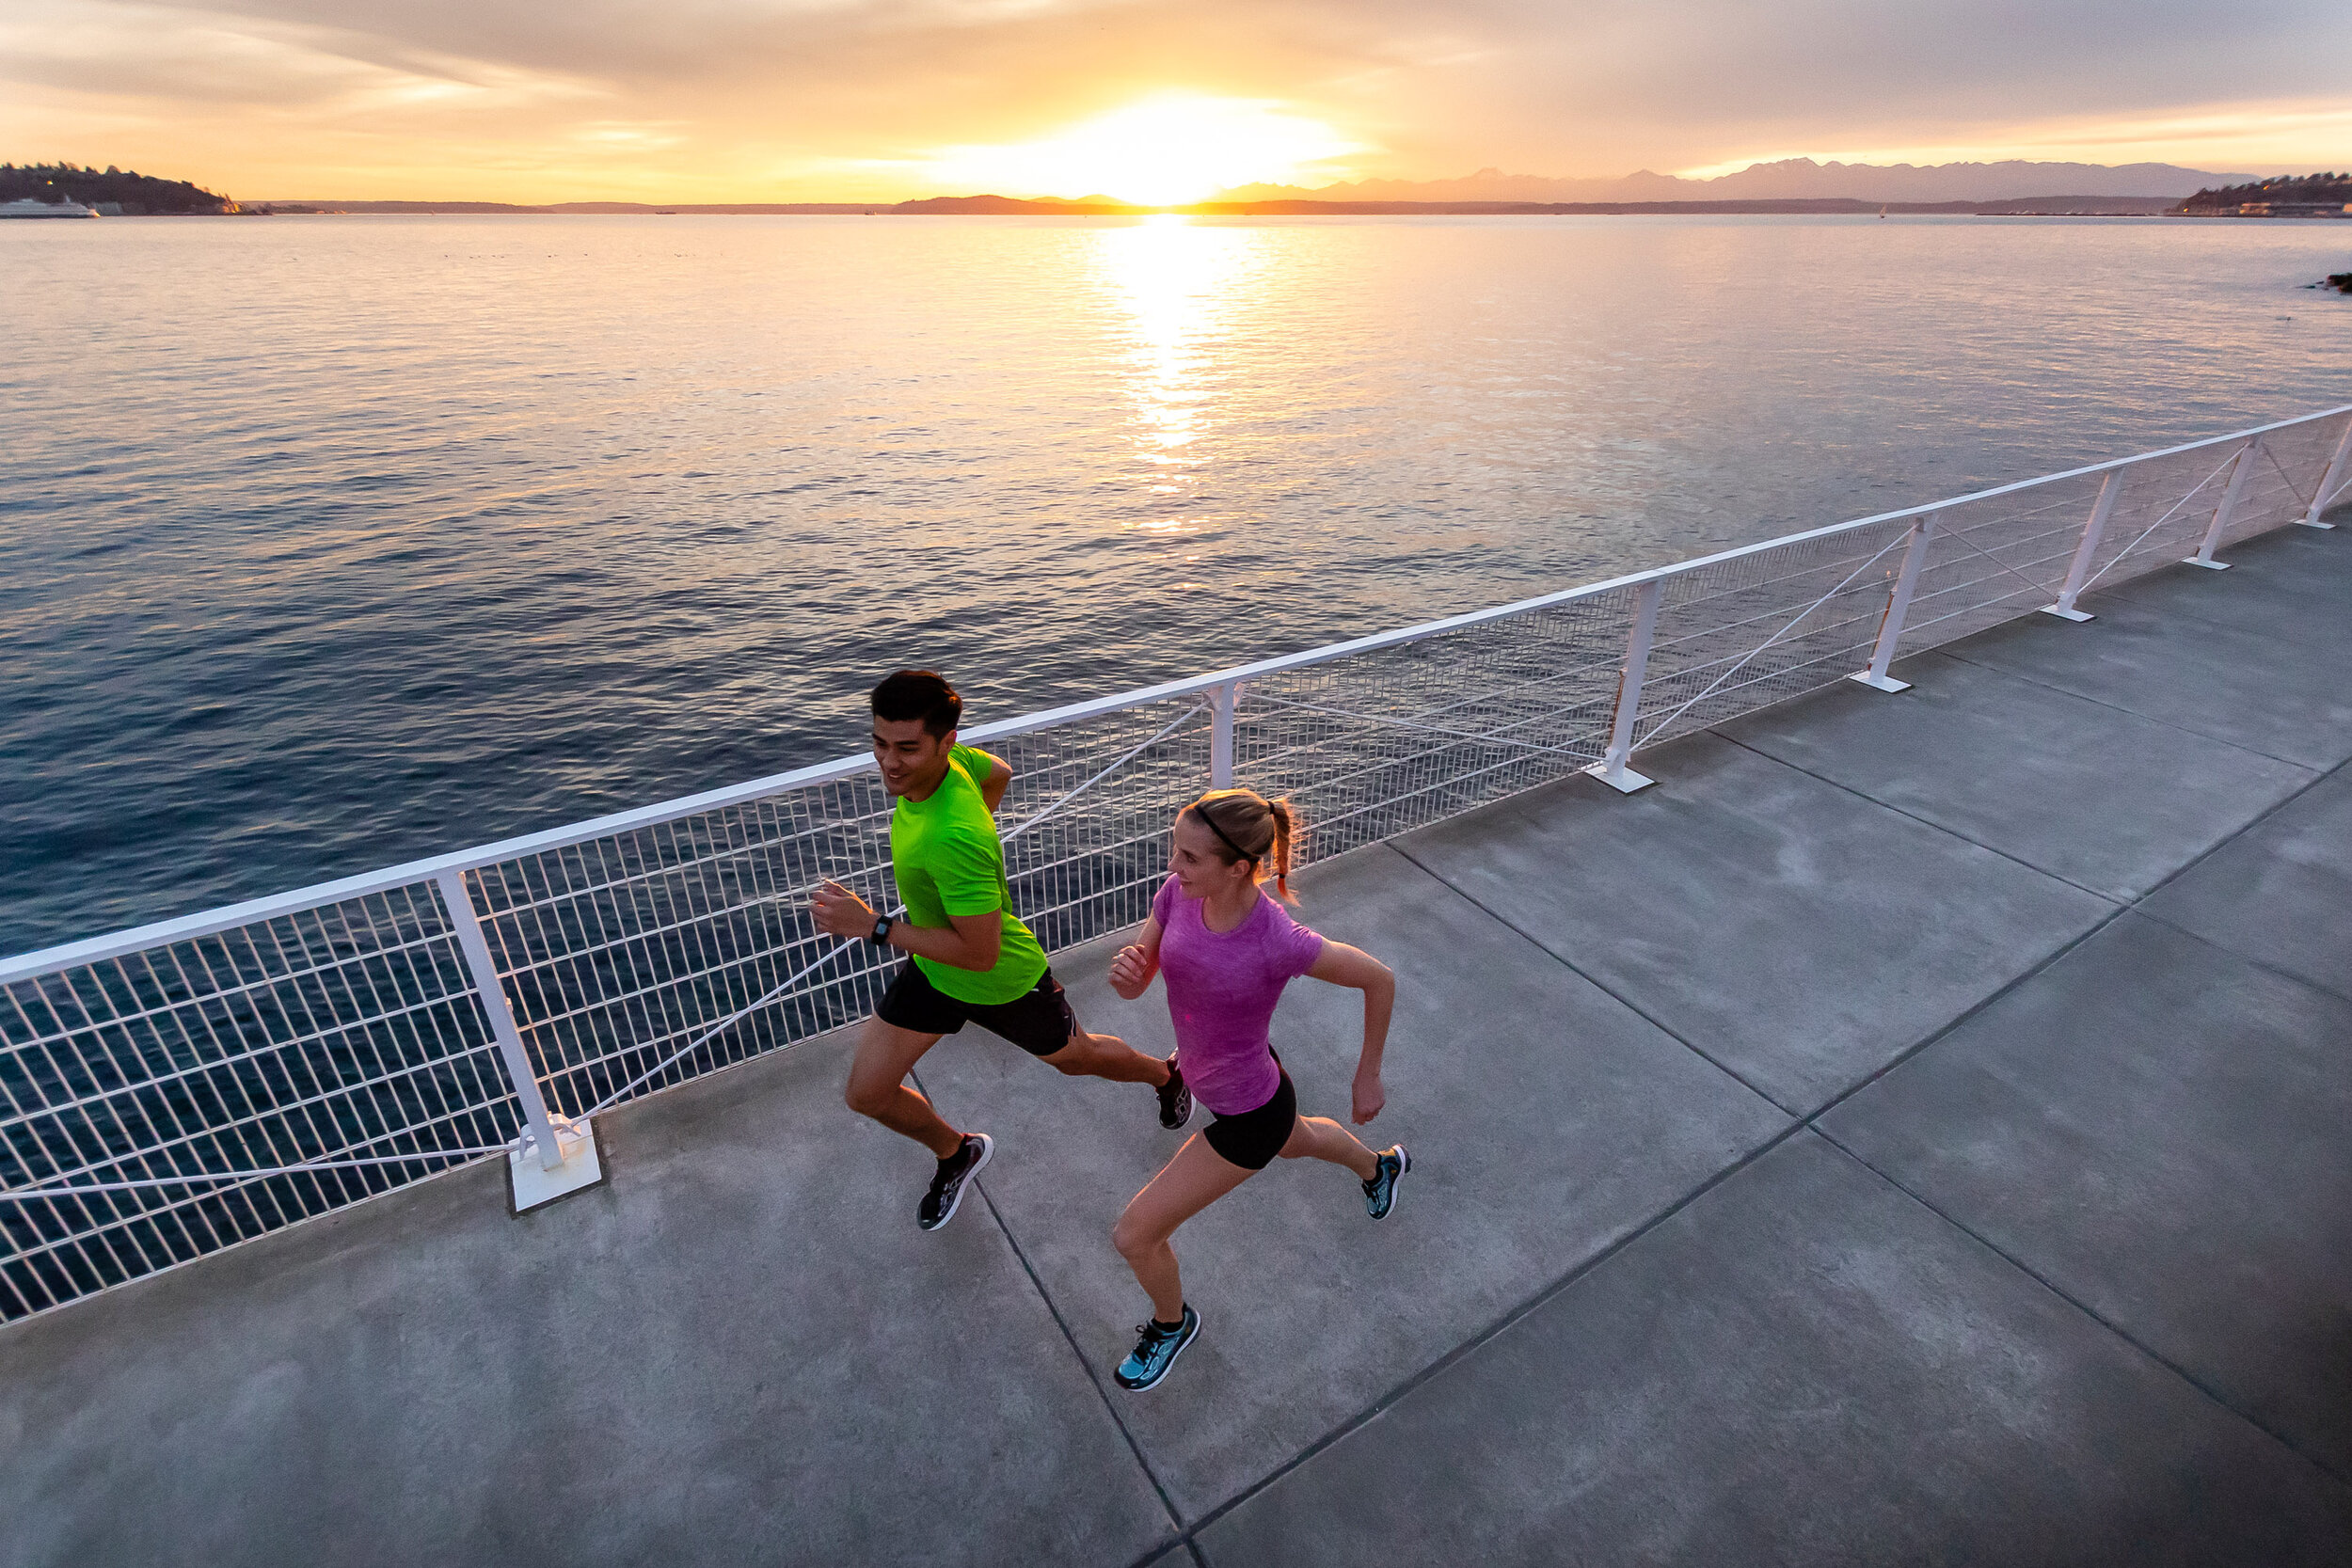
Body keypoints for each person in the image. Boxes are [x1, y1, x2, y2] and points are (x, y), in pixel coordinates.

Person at [815, 670, 1192, 1232]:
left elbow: (981, 955)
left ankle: (1166, 1076)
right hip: (933, 969)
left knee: (1078, 1059)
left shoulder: (952, 837)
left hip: (999, 981)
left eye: (907, 748)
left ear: (945, 741)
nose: (889, 763)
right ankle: (957, 1152)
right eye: (880, 743)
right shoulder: (955, 768)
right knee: (867, 1093)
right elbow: (1001, 771)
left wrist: (873, 927)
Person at [1103, 788, 1408, 1391]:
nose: (1173, 866)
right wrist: (1131, 976)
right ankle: (1380, 1168)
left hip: (1249, 1115)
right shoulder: (1178, 896)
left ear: (1238, 867)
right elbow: (1142, 978)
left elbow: (1380, 979)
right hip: (1249, 1080)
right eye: (1175, 849)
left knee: (1135, 1234)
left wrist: (1368, 1072)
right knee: (1298, 1140)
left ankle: (1172, 1324)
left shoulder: (1278, 941)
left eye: (1190, 857)